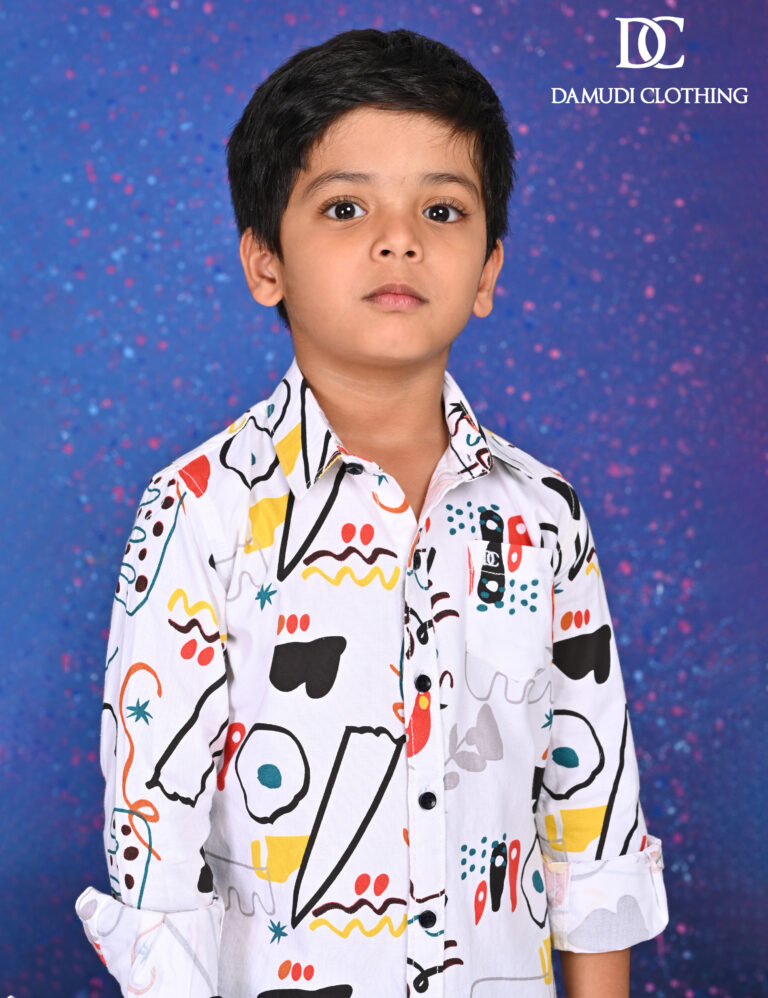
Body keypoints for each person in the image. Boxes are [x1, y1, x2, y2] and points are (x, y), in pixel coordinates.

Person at [75, 27, 668, 998]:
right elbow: (157, 840)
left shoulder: (546, 514)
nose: (400, 239)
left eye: (442, 209)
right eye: (346, 207)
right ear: (266, 262)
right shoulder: (200, 509)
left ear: (488, 271)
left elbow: (590, 812)